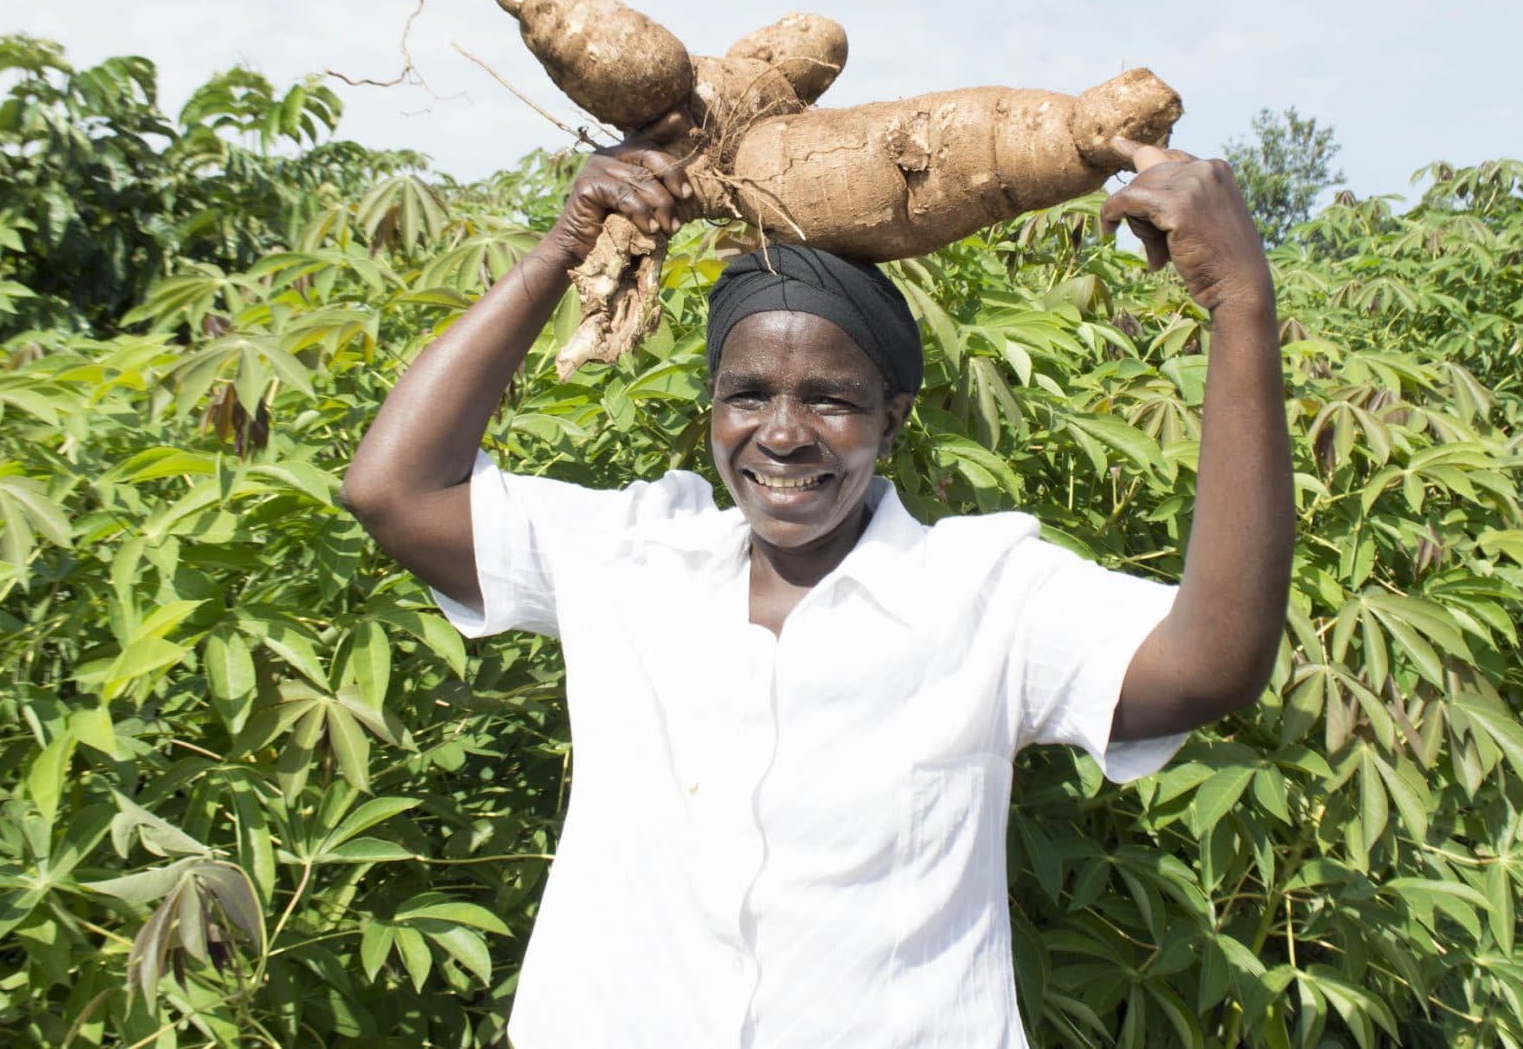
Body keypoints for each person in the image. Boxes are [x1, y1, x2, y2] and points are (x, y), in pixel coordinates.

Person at [340, 111, 1294, 1048]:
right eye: (747, 394)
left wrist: (1241, 308)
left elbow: (1210, 667)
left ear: (895, 416)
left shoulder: (986, 592)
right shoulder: (631, 557)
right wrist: (565, 249)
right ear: (712, 405)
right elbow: (393, 489)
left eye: (830, 400)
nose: (784, 433)